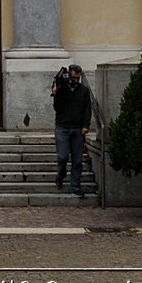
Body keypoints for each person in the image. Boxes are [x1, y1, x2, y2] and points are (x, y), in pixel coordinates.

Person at [51, 64, 93, 195]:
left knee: (78, 160)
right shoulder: (62, 89)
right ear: (69, 75)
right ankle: (60, 175)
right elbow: (57, 108)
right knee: (63, 156)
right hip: (62, 127)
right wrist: (56, 93)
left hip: (77, 128)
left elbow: (87, 109)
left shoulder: (84, 91)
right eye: (73, 77)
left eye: (78, 78)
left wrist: (86, 125)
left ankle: (75, 186)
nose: (75, 80)